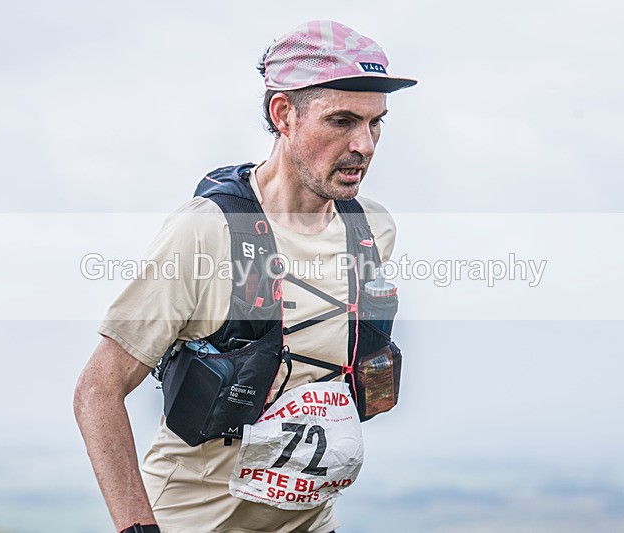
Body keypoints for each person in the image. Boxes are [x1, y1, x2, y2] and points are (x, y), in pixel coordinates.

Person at [74, 20, 416, 533]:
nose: (364, 145)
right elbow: (97, 390)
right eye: (342, 121)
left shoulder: (371, 229)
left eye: (376, 123)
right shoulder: (205, 231)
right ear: (283, 114)